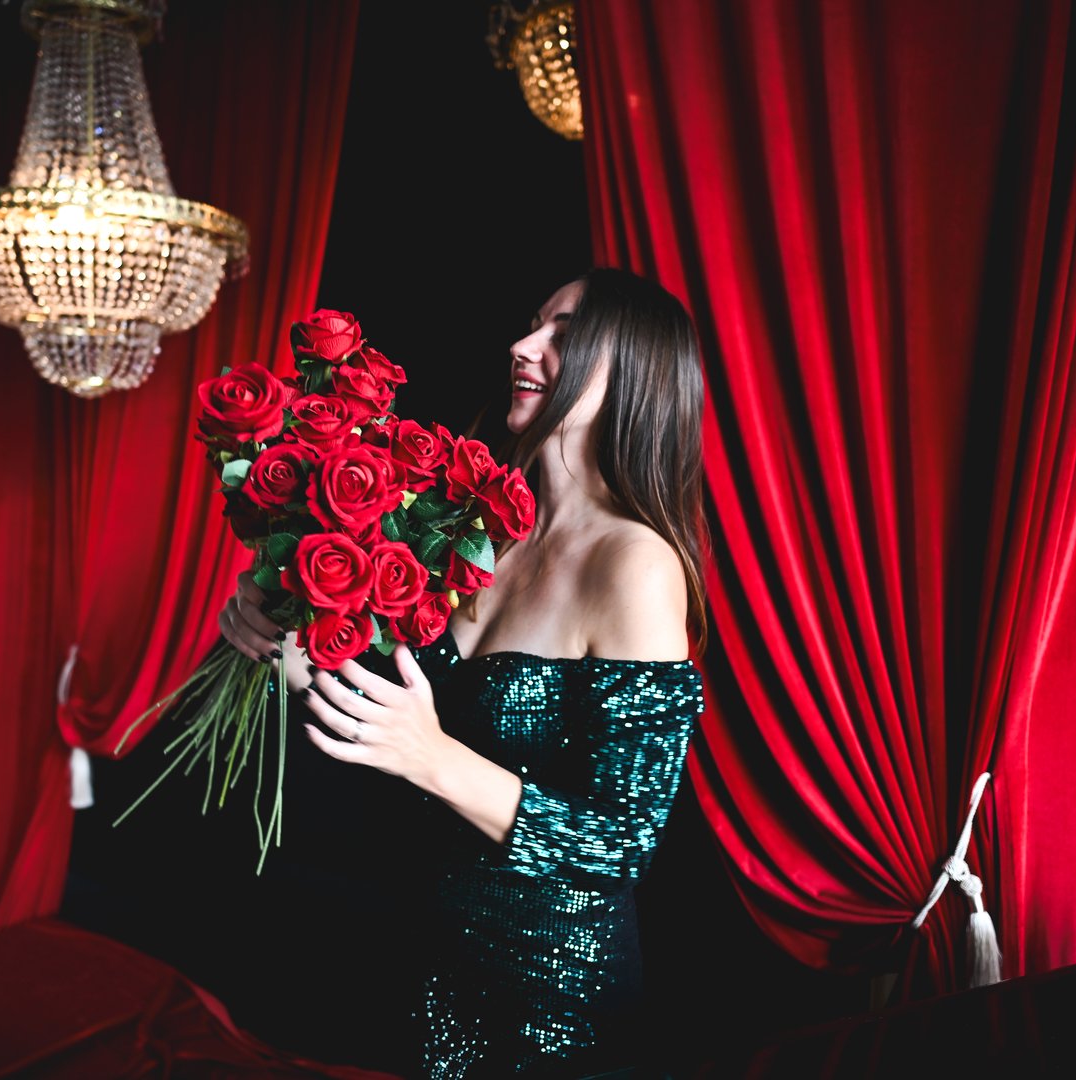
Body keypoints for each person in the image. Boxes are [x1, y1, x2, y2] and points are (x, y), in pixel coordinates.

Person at [218, 267, 709, 1077]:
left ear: (634, 374)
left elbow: (619, 848)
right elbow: (395, 740)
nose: (523, 345)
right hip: (422, 954)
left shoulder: (633, 564)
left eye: (563, 334)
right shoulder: (477, 533)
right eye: (532, 324)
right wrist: (288, 650)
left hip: (549, 996)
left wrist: (435, 758)